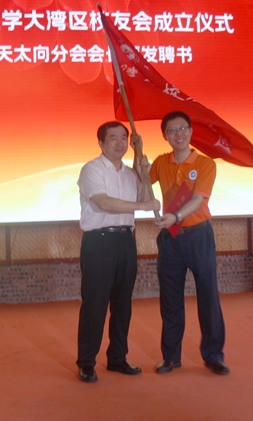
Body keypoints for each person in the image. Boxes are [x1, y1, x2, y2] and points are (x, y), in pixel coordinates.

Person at [140, 111, 230, 376]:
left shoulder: (204, 164)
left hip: (198, 235)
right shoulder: (161, 162)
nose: (178, 134)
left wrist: (175, 217)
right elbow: (144, 185)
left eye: (182, 129)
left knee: (208, 297)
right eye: (172, 130)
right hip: (170, 239)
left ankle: (214, 356)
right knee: (170, 299)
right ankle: (170, 357)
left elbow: (198, 199)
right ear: (165, 136)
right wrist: (139, 160)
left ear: (190, 132)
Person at [76, 121, 161, 383]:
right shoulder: (92, 169)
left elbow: (145, 197)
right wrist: (143, 205)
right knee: (95, 304)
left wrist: (143, 172)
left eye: (124, 137)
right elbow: (103, 203)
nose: (120, 142)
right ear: (101, 143)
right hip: (99, 241)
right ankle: (86, 362)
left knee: (123, 304)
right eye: (113, 138)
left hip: (126, 240)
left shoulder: (129, 174)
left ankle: (117, 357)